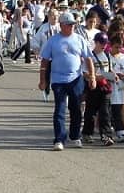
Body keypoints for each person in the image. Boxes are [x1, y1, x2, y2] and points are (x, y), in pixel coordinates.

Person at [38, 12, 95, 151]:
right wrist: (42, 80)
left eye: (73, 25)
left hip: (75, 79)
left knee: (76, 108)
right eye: (69, 25)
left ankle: (75, 136)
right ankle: (59, 139)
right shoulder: (53, 41)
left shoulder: (79, 39)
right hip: (58, 79)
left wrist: (92, 76)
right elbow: (44, 61)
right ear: (62, 25)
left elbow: (88, 58)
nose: (71, 27)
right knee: (60, 109)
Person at [81, 33, 115, 146]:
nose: (103, 45)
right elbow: (85, 73)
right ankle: (87, 133)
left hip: (105, 87)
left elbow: (110, 69)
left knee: (105, 112)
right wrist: (94, 77)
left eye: (105, 43)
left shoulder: (107, 55)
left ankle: (106, 136)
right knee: (91, 111)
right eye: (101, 42)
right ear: (96, 42)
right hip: (93, 86)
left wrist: (115, 75)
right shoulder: (90, 56)